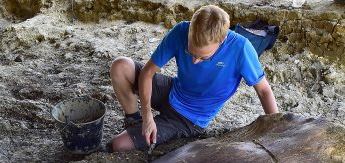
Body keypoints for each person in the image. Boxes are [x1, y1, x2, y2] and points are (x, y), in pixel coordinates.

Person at [108, 4, 278, 152]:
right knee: (121, 66)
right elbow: (147, 72)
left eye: (203, 58)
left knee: (118, 145)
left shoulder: (241, 48)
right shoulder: (181, 30)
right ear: (190, 29)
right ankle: (133, 120)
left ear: (222, 40)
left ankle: (143, 130)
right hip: (173, 90)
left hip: (189, 119)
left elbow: (263, 91)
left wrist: (277, 130)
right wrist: (146, 117)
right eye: (191, 52)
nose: (195, 61)